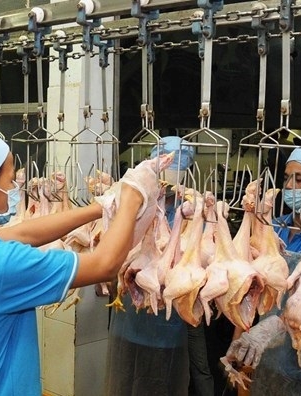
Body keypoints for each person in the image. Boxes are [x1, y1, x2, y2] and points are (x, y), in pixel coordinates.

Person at [0, 115, 161, 395]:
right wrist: (133, 198)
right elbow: (104, 265)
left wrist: (99, 207)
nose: (13, 189)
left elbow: (25, 234)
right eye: (8, 182)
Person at [104, 136, 214, 396]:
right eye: (164, 169)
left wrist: (203, 212)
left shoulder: (191, 208)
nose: (168, 176)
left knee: (162, 380)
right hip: (130, 316)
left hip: (170, 321)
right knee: (126, 378)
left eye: (177, 168)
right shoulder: (136, 204)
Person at [224, 147, 301, 395]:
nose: (289, 186)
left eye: (299, 178)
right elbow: (248, 292)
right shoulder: (273, 228)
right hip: (263, 358)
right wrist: (238, 348)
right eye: (286, 178)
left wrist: (275, 327)